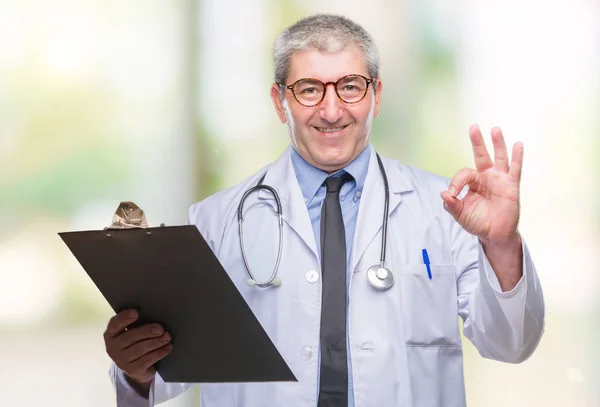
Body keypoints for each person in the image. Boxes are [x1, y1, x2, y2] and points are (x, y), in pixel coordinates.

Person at [104, 13, 545, 407]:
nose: (332, 111)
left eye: (350, 87)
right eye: (310, 90)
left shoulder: (443, 209)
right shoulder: (215, 221)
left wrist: (501, 244)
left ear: (376, 96)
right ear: (281, 102)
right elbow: (162, 381)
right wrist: (135, 368)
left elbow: (511, 343)